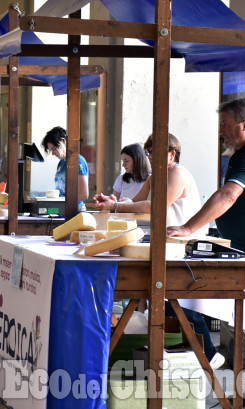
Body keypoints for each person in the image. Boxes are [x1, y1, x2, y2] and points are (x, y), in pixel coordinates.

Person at [167, 99, 245, 408]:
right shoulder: (242, 152)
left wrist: (187, 228)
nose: (221, 131)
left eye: (226, 125)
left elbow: (228, 194)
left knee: (239, 317)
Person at [89, 134, 220, 368]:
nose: (150, 157)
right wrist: (113, 201)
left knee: (179, 303)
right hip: (167, 247)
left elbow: (154, 206)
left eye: (154, 152)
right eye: (149, 152)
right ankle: (186, 354)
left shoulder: (178, 174)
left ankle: (208, 354)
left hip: (184, 248)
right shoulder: (154, 177)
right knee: (169, 302)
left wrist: (116, 205)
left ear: (171, 154)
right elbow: (134, 206)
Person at [41, 126, 89, 211]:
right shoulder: (61, 163)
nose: (53, 153)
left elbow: (84, 194)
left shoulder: (78, 161)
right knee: (42, 212)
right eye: (51, 150)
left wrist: (61, 201)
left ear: (64, 142)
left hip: (75, 211)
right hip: (61, 209)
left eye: (54, 149)